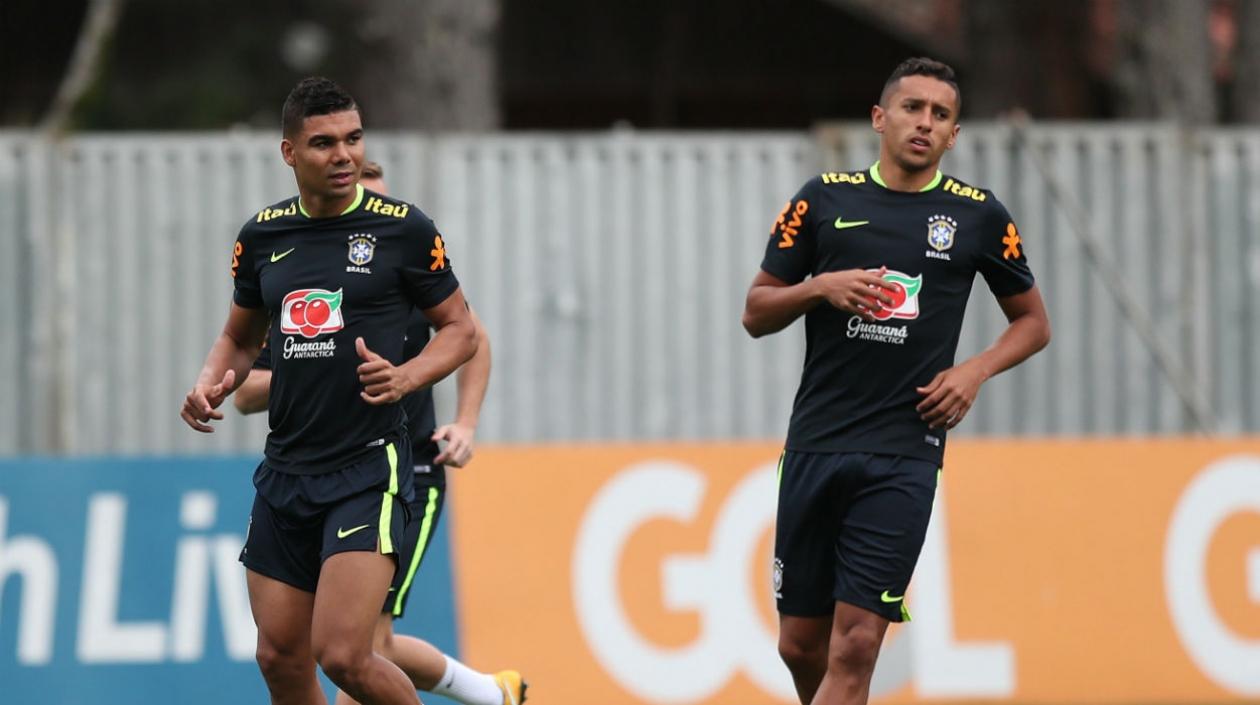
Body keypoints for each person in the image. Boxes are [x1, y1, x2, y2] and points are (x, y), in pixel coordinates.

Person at [741, 57, 1051, 705]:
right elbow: (756, 311)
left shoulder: (977, 215)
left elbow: (1033, 323)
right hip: (817, 442)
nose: (925, 123)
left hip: (904, 452)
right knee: (800, 645)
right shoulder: (822, 199)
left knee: (856, 645)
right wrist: (820, 287)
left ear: (954, 135)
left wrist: (974, 370)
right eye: (913, 108)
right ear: (880, 118)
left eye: (941, 115)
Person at [180, 76, 477, 705]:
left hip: (368, 468)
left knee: (345, 654)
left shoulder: (404, 229)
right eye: (324, 143)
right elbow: (238, 337)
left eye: (353, 138)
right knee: (279, 658)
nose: (344, 155)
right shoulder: (262, 236)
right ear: (289, 153)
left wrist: (408, 376)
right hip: (287, 471)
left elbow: (462, 330)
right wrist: (208, 383)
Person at [234, 160, 526, 705]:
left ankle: (491, 693)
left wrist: (465, 423)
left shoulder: (404, 269)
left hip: (403, 468)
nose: (365, 226)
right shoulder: (306, 300)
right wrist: (314, 369)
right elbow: (246, 393)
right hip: (312, 473)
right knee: (320, 651)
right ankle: (492, 693)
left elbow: (473, 337)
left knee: (360, 648)